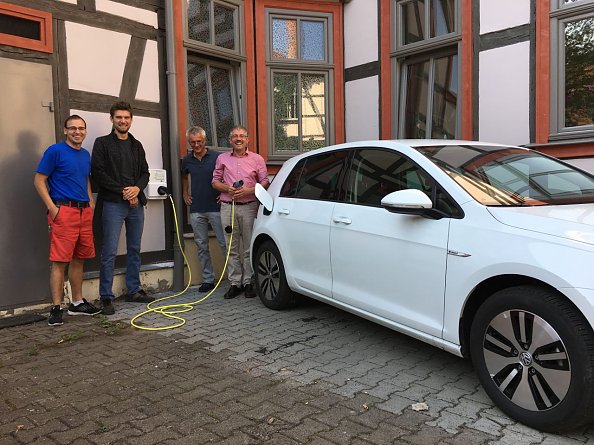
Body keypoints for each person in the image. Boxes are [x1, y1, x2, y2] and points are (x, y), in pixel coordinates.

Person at [34, 115, 101, 326]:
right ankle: (56, 307)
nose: (77, 132)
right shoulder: (55, 151)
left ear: (85, 131)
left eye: (81, 128)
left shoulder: (85, 154)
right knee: (59, 261)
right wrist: (53, 209)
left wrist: (90, 201)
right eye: (72, 128)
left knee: (79, 258)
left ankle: (77, 303)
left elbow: (85, 179)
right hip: (64, 211)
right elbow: (39, 180)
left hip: (83, 213)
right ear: (65, 130)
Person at [91, 101, 153, 315]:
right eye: (119, 117)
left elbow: (145, 172)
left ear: (131, 120)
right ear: (112, 119)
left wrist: (136, 189)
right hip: (113, 203)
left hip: (135, 205)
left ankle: (133, 290)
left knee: (135, 248)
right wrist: (124, 191)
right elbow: (98, 173)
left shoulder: (137, 145)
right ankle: (106, 296)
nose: (123, 121)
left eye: (126, 117)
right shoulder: (102, 144)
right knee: (108, 251)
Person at [212, 125, 270, 299]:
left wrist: (249, 191)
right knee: (232, 247)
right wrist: (228, 189)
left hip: (249, 206)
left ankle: (248, 282)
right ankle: (235, 283)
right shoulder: (222, 158)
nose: (238, 139)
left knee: (249, 246)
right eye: (235, 136)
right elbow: (215, 182)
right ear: (230, 140)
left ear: (247, 139)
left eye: (242, 136)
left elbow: (265, 182)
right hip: (227, 207)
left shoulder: (257, 159)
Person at [182, 126, 227, 292]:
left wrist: (224, 194)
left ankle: (235, 279)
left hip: (216, 207)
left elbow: (226, 176)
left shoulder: (217, 157)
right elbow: (184, 176)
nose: (196, 145)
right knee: (201, 246)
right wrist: (185, 193)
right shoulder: (187, 160)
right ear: (189, 142)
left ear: (205, 141)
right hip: (196, 209)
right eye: (192, 142)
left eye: (199, 141)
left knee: (224, 243)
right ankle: (208, 279)